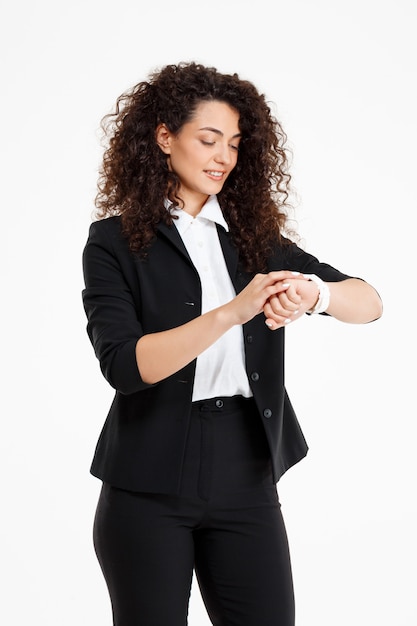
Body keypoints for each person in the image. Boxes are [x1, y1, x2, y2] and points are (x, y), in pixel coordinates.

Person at [81, 61, 383, 626]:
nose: (224, 156)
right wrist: (233, 312)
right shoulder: (114, 242)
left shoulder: (253, 240)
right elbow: (126, 365)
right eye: (209, 139)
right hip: (148, 477)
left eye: (236, 144)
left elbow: (369, 303)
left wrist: (313, 293)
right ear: (164, 138)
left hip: (245, 465)